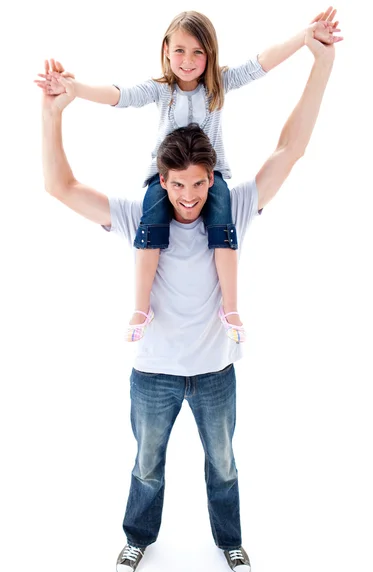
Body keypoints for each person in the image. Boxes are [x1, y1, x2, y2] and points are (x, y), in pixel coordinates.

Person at [36, 19, 341, 572]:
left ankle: (230, 543)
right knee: (147, 467)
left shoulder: (234, 208)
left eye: (199, 185)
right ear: (162, 179)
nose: (189, 198)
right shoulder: (138, 215)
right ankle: (136, 538)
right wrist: (55, 111)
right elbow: (61, 187)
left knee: (223, 467)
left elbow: (290, 148)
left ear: (212, 179)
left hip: (216, 372)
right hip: (153, 372)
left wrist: (318, 62)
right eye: (177, 186)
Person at [36, 8, 340, 344]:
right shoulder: (160, 94)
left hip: (218, 174)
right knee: (149, 232)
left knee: (224, 232)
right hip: (159, 177)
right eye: (179, 50)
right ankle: (140, 308)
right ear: (166, 50)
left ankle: (232, 307)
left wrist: (306, 42)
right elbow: (118, 96)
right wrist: (73, 91)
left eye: (198, 52)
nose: (187, 60)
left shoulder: (219, 88)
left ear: (210, 55)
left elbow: (262, 69)